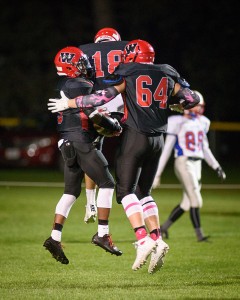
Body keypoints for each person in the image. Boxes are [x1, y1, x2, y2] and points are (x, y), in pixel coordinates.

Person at [48, 39, 200, 273]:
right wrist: (173, 103)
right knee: (145, 193)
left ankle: (142, 240)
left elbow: (99, 99)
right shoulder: (168, 72)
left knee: (125, 191)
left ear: (133, 56)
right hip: (158, 140)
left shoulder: (128, 71)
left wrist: (70, 102)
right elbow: (192, 100)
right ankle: (157, 239)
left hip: (135, 137)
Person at [43, 46, 123, 265]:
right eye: (79, 63)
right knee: (107, 183)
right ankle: (102, 234)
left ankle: (54, 237)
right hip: (81, 140)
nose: (84, 66)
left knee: (70, 192)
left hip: (65, 141)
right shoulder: (79, 84)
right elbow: (91, 109)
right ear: (69, 66)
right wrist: (112, 124)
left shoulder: (63, 83)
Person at [152, 91, 226, 242]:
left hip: (197, 163)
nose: (199, 109)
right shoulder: (177, 121)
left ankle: (164, 227)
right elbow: (167, 149)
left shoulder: (203, 122)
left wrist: (216, 166)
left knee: (187, 203)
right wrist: (157, 173)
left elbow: (205, 148)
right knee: (196, 200)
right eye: (196, 105)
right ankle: (200, 235)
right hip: (183, 162)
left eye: (200, 106)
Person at [79, 27, 128, 224]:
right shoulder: (125, 49)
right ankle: (132, 190)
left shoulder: (85, 51)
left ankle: (90, 201)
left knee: (93, 150)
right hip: (116, 101)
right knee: (128, 142)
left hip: (94, 101)